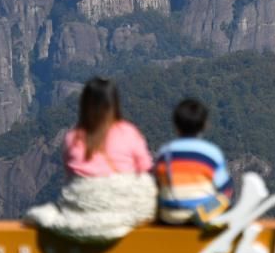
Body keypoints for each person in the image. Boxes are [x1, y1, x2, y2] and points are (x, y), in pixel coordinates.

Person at [24, 77, 157, 242]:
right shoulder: (128, 132)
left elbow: (70, 176)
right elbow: (146, 168)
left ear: (84, 105)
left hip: (83, 219)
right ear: (114, 104)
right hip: (124, 215)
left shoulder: (73, 137)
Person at [154, 98, 234, 227]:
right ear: (204, 124)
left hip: (170, 217)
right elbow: (226, 189)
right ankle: (202, 214)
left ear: (176, 125)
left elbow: (158, 184)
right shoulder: (210, 152)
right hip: (201, 215)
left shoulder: (164, 153)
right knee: (225, 195)